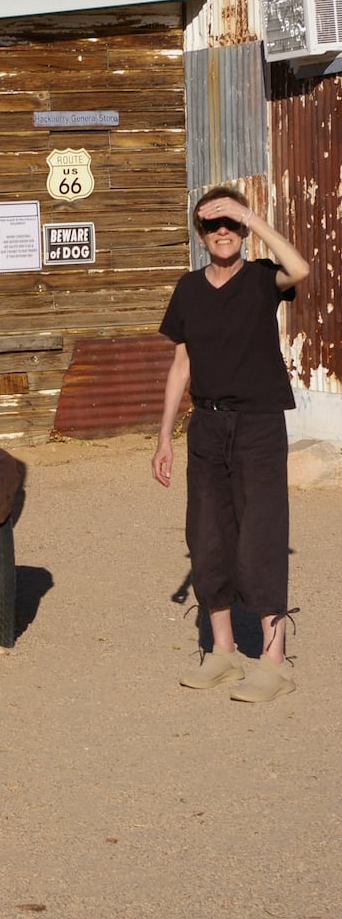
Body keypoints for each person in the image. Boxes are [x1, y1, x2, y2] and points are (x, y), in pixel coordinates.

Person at [152, 181, 310, 702]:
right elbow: (181, 365)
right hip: (207, 427)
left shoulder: (264, 279)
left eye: (231, 224)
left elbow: (302, 269)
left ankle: (274, 660)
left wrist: (253, 215)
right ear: (200, 234)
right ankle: (222, 653)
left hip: (260, 424)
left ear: (242, 230)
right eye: (212, 224)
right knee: (208, 536)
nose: (222, 232)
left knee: (261, 533)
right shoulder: (188, 289)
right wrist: (164, 439)